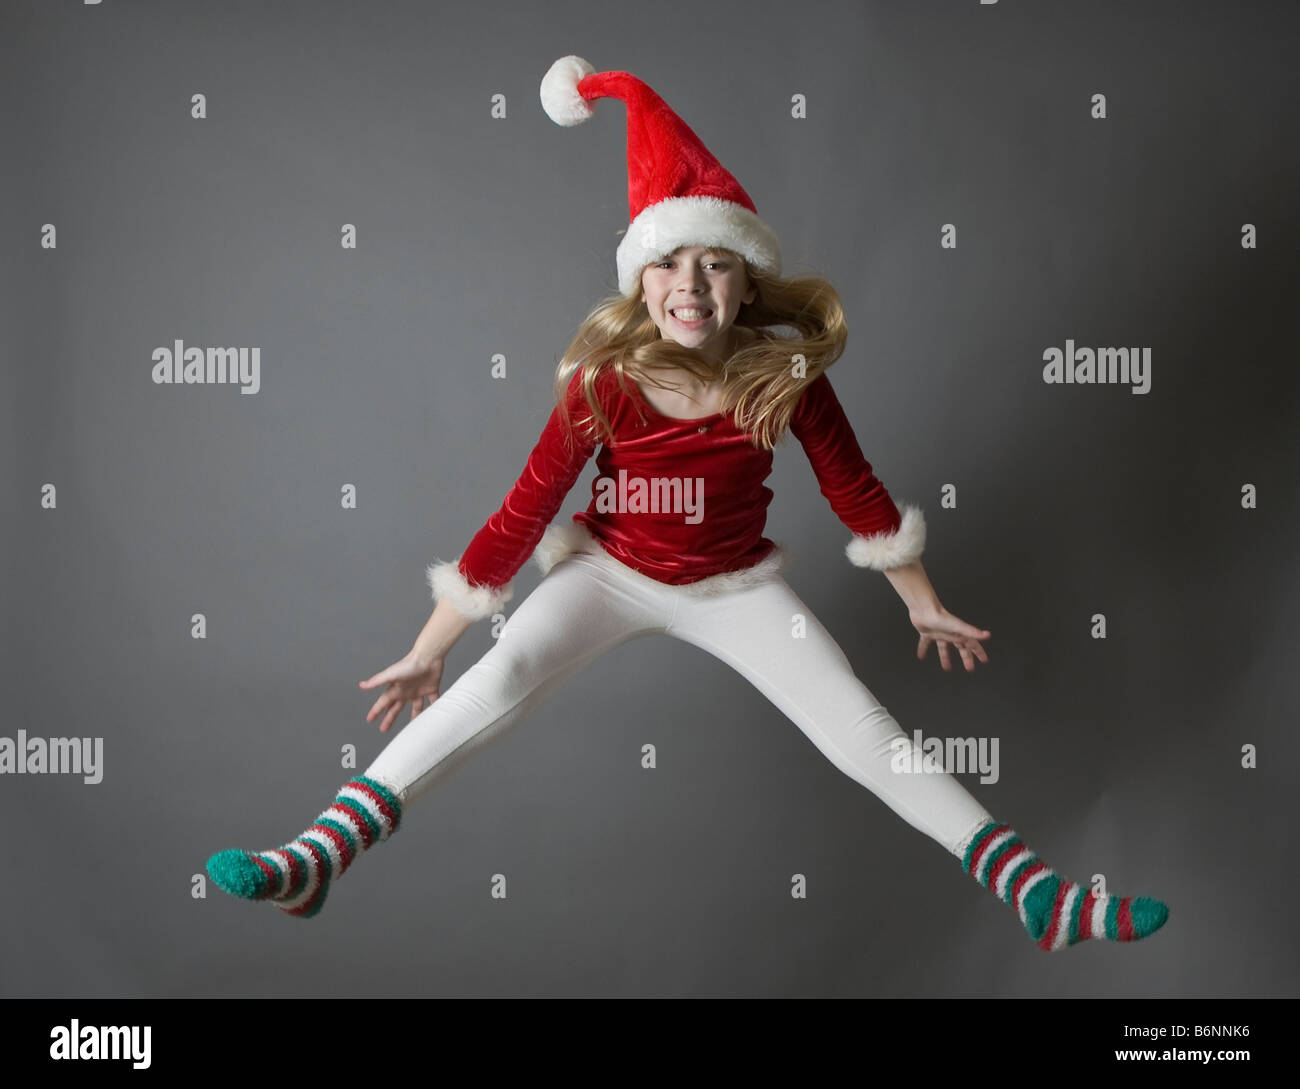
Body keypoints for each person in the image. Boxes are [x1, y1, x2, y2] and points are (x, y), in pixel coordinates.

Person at [205, 55, 1168, 952]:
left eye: (713, 263)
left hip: (734, 588)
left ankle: (1036, 892)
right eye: (668, 264)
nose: (690, 285)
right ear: (641, 279)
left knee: (865, 731)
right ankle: (314, 860)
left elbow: (856, 491)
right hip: (609, 575)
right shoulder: (603, 380)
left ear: (746, 278)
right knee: (494, 682)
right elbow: (520, 514)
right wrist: (428, 643)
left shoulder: (784, 374)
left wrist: (917, 596)